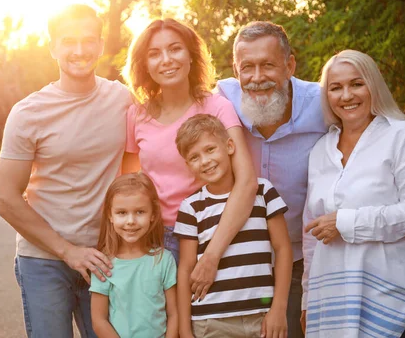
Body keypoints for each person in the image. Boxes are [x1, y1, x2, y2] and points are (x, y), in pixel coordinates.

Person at [216, 21, 405, 337]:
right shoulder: (222, 102)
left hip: (319, 271)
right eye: (247, 67)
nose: (257, 77)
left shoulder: (344, 112)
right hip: (246, 260)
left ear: (290, 65)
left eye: (268, 64)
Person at [0, 4, 132, 338]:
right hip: (44, 260)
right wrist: (68, 251)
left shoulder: (122, 99)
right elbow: (6, 199)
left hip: (104, 260)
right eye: (68, 41)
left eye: (89, 41)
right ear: (53, 46)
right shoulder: (28, 113)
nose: (80, 50)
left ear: (101, 46)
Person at [301, 50, 405, 337]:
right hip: (332, 302)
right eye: (335, 88)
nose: (347, 95)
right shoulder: (319, 151)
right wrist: (307, 300)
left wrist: (344, 222)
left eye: (356, 84)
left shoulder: (402, 135)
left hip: (391, 297)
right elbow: (311, 236)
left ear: (373, 85)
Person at [121, 18, 257, 301]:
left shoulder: (217, 107)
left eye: (175, 49)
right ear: (144, 64)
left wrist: (211, 256)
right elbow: (130, 187)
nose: (166, 60)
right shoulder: (136, 115)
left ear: (191, 56)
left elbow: (246, 181)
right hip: (155, 239)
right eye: (154, 53)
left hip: (210, 233)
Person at [173, 114, 292, 338]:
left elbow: (283, 249)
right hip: (211, 322)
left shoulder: (263, 192)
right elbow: (186, 268)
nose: (205, 160)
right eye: (195, 157)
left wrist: (278, 308)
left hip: (262, 317)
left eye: (210, 149)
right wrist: (185, 330)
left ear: (229, 146)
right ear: (188, 165)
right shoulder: (191, 207)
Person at [90, 173, 178, 338]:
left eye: (139, 212)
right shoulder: (103, 264)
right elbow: (99, 320)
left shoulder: (164, 260)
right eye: (122, 213)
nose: (131, 221)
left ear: (153, 214)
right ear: (110, 215)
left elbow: (173, 314)